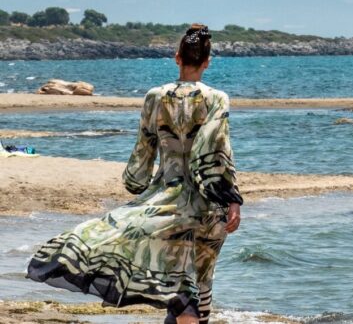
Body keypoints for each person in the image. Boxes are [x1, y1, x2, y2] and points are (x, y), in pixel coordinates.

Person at [27, 24, 243, 324]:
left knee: (177, 286)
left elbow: (141, 161)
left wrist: (139, 187)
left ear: (176, 57)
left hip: (166, 201)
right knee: (201, 283)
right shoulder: (217, 99)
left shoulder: (155, 97)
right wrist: (232, 199)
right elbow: (217, 152)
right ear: (207, 61)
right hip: (209, 205)